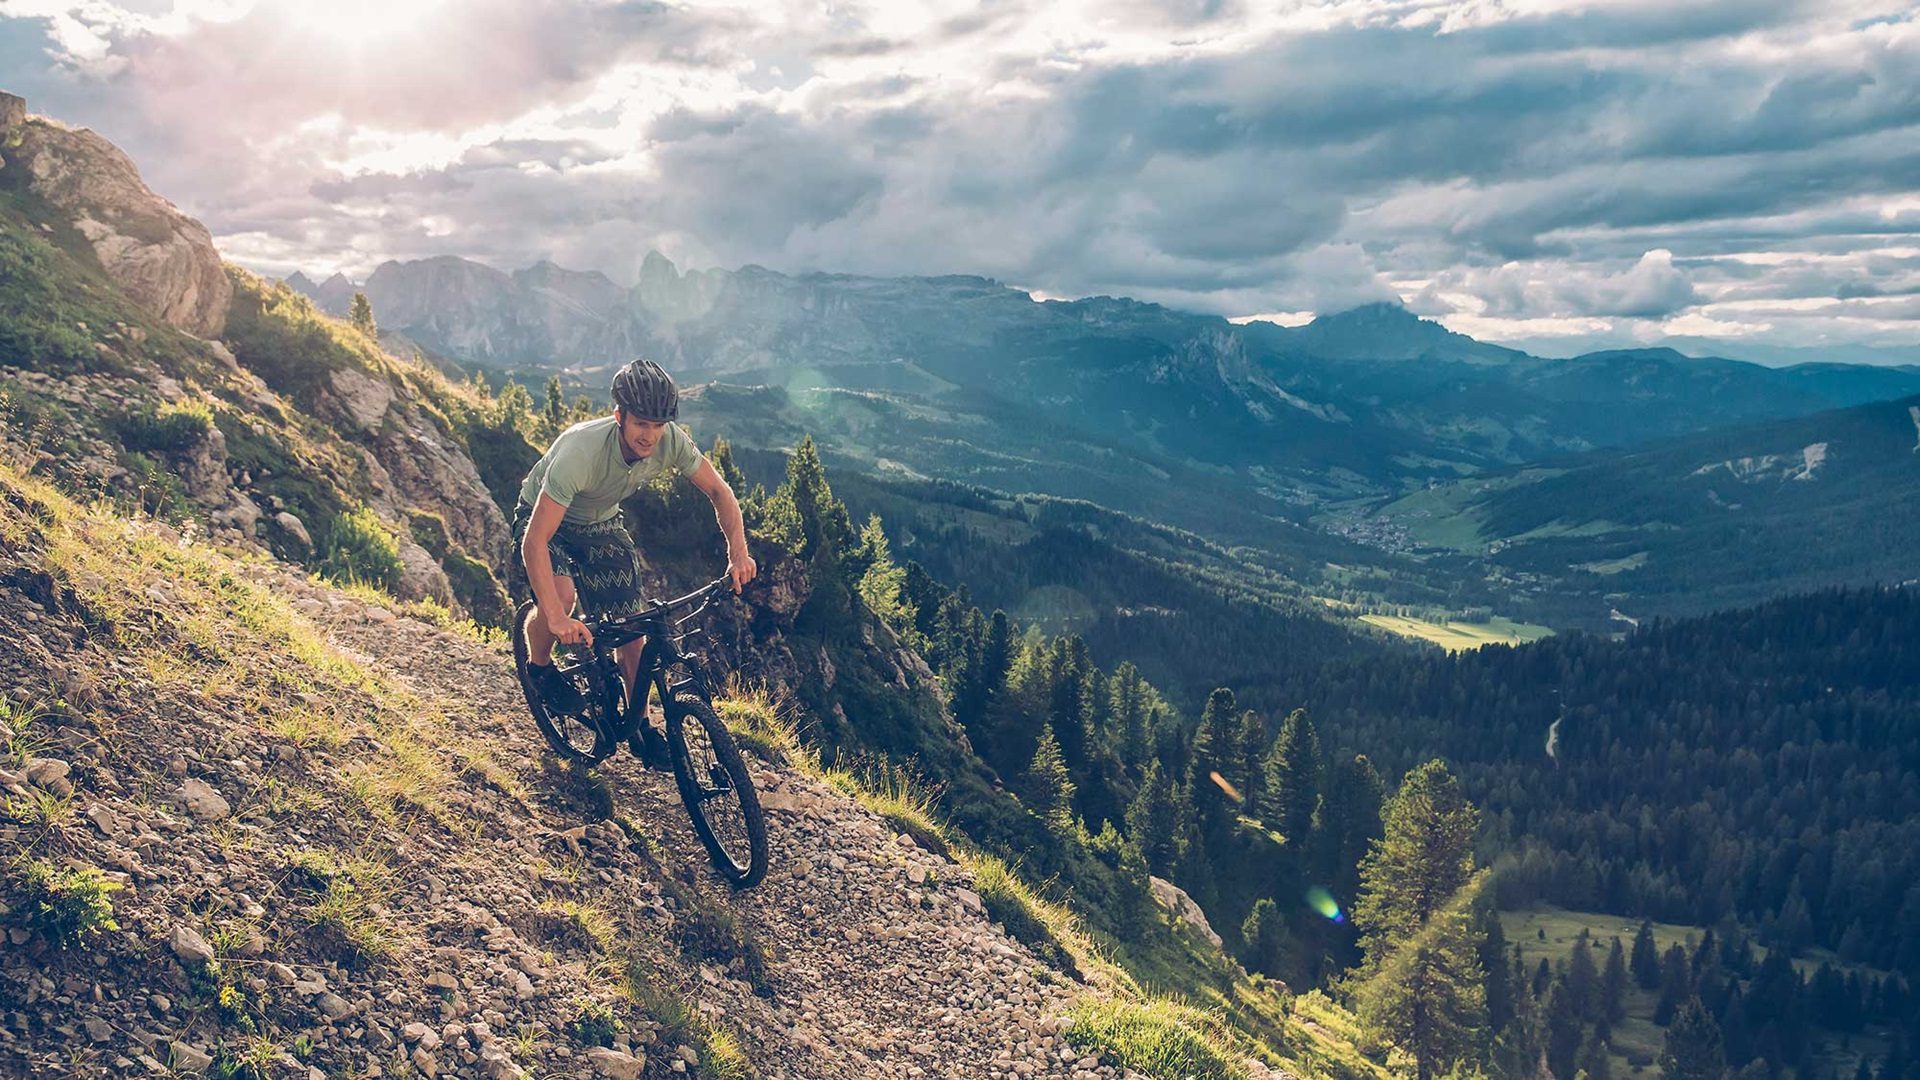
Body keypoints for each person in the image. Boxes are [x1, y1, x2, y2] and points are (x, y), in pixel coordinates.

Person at [511, 358, 756, 757]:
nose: (650, 436)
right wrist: (556, 617)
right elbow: (535, 541)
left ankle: (639, 726)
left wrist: (739, 554)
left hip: (601, 522)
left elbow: (719, 491)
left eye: (658, 425)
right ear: (619, 416)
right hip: (545, 520)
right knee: (561, 597)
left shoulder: (671, 441)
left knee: (633, 627)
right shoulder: (581, 452)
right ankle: (540, 668)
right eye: (641, 423)